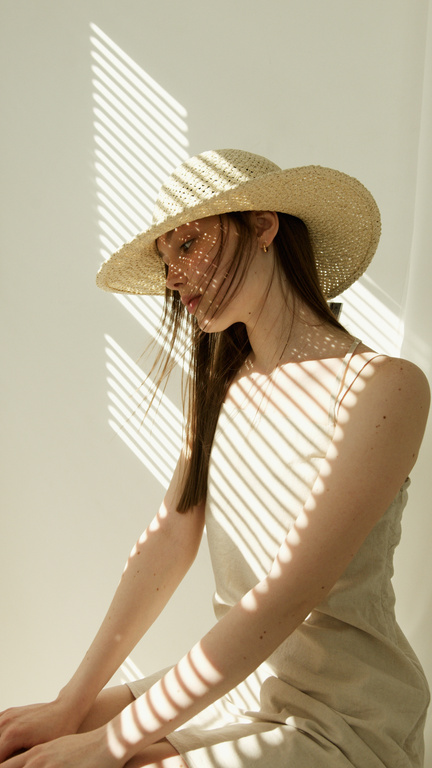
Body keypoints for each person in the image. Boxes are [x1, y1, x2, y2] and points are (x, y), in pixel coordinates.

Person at [0, 149, 430, 768]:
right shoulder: (223, 387)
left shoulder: (383, 388)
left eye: (188, 243)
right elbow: (169, 539)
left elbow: (284, 597)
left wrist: (106, 742)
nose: (173, 274)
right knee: (25, 742)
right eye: (165, 257)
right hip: (240, 687)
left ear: (263, 226)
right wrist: (72, 704)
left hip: (342, 714)